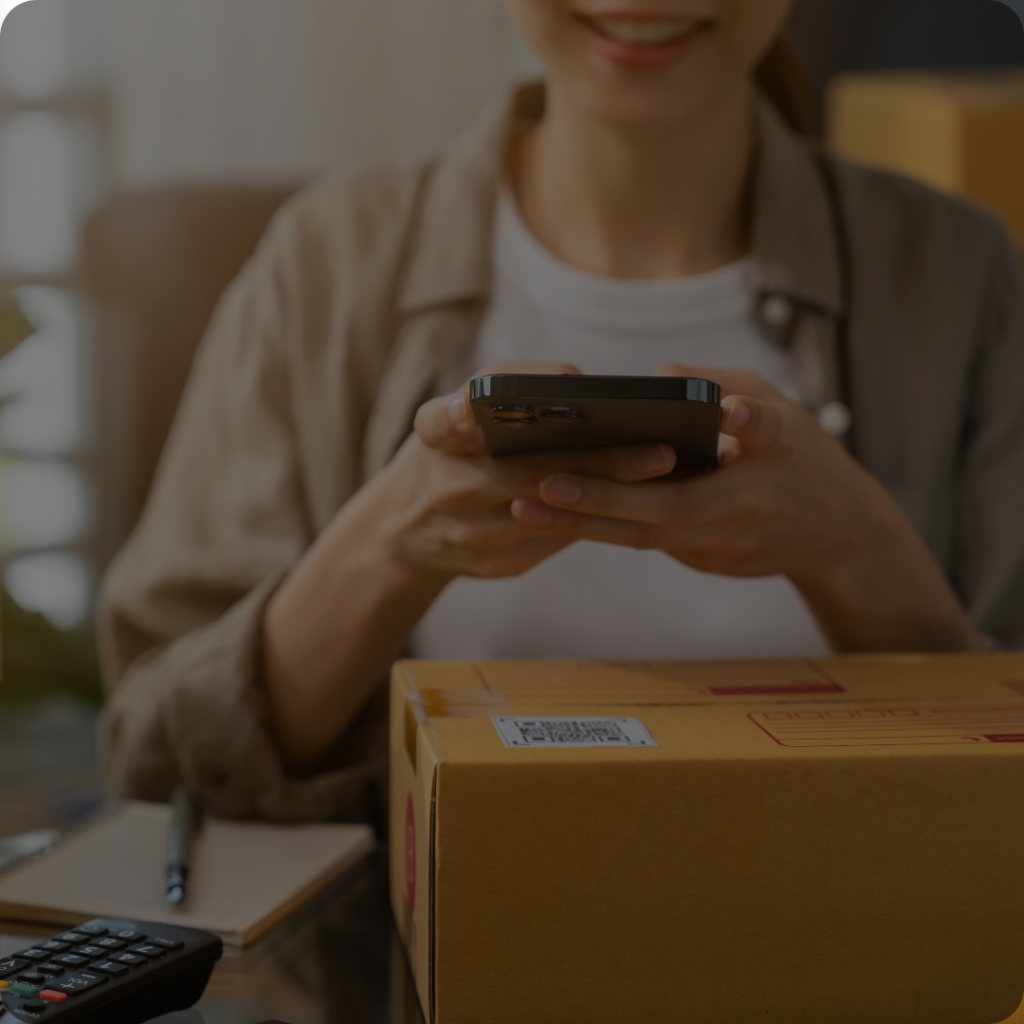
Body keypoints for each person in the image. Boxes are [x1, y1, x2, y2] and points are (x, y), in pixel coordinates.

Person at [98, 0, 1024, 827]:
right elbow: (155, 763)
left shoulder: (960, 273)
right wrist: (388, 543)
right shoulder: (327, 261)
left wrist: (852, 542)